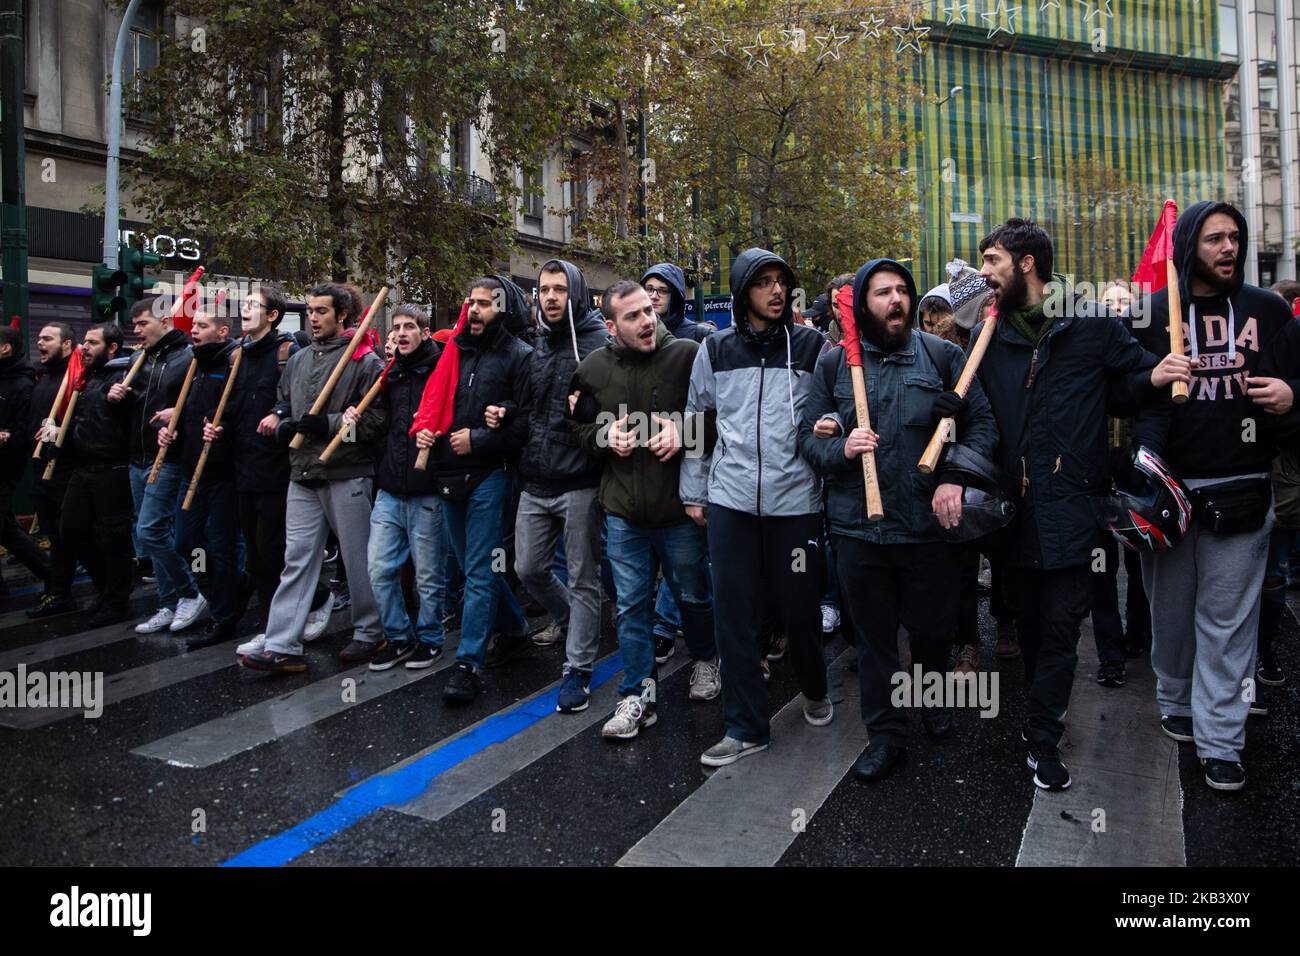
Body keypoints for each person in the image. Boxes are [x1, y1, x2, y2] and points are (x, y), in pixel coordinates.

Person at [974, 218, 1192, 791]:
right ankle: (1039, 713)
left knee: (1063, 629)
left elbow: (1126, 383)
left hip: (1074, 507)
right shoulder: (985, 335)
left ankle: (1042, 738)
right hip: (1012, 513)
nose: (983, 272)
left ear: (1026, 264)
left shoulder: (1091, 323)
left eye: (992, 260)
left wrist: (1156, 374)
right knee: (1026, 624)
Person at [800, 258, 998, 781]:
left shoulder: (943, 356)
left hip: (927, 530)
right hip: (857, 529)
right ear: (862, 304)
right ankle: (886, 735)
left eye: (902, 291)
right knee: (874, 641)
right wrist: (840, 446)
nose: (896, 301)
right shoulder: (833, 363)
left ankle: (931, 702)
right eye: (883, 293)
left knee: (932, 631)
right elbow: (805, 441)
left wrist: (956, 477)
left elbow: (982, 427)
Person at [1130, 201, 1297, 792]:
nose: (1228, 249)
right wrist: (1149, 376)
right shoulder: (1151, 315)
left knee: (1229, 622)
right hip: (1168, 496)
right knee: (1171, 614)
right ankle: (1175, 698)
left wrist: (1291, 394)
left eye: (1234, 238)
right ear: (1187, 248)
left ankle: (1222, 741)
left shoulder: (1270, 312)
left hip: (1244, 493)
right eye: (1213, 239)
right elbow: (1116, 394)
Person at [681, 248, 833, 767]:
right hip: (731, 502)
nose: (775, 291)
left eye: (781, 282)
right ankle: (745, 726)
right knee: (734, 615)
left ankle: (814, 686)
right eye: (763, 282)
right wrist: (695, 491)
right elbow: (698, 421)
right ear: (744, 290)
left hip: (795, 502)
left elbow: (834, 411)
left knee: (799, 608)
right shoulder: (715, 349)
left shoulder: (814, 345)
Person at [571, 281, 720, 737]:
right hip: (623, 513)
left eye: (648, 311)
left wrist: (682, 432)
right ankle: (637, 696)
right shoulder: (593, 367)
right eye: (633, 316)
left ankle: (707, 660)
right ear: (611, 326)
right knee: (631, 607)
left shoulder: (690, 356)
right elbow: (576, 429)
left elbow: (720, 420)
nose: (647, 320)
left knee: (693, 595)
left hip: (678, 511)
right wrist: (603, 437)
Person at [240, 282, 388, 673]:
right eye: (309, 310)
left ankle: (370, 631)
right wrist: (282, 420)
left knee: (358, 559)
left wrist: (331, 424)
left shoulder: (365, 361)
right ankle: (282, 643)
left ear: (342, 315)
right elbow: (284, 401)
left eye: (322, 311)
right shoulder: (299, 359)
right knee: (297, 559)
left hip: (346, 471)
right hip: (302, 470)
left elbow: (373, 423)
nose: (313, 317)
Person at [414, 276, 534, 705]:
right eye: (471, 303)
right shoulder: (452, 353)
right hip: (449, 475)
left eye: (485, 303)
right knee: (472, 569)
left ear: (502, 309)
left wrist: (480, 438)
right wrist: (428, 432)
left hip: (490, 475)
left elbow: (524, 423)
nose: (475, 310)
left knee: (481, 573)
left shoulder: (520, 356)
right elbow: (435, 404)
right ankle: (516, 628)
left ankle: (468, 664)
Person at [515, 260, 609, 712]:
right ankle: (573, 619)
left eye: (558, 289)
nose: (549, 297)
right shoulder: (535, 343)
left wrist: (592, 407)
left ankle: (578, 669)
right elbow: (528, 409)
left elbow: (618, 407)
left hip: (579, 481)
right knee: (528, 568)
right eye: (543, 290)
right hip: (535, 478)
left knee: (583, 576)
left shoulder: (598, 344)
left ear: (574, 293)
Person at [230, 284, 333, 654]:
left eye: (252, 305)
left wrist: (278, 415)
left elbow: (298, 400)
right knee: (256, 554)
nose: (244, 310)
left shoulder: (289, 353)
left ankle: (309, 603)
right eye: (243, 304)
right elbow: (233, 408)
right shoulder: (236, 356)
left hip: (279, 467)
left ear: (272, 315)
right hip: (243, 467)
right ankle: (280, 620)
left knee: (274, 550)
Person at [111, 297, 206, 636]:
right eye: (134, 325)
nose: (136, 331)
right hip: (136, 455)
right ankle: (168, 603)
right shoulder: (138, 359)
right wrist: (118, 398)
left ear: (164, 322)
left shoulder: (188, 359)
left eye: (142, 324)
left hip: (167, 458)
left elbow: (200, 406)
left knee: (151, 529)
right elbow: (136, 412)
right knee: (151, 534)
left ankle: (190, 592)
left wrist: (178, 418)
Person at [364, 304, 448, 670]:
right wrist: (357, 417)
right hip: (389, 487)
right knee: (379, 568)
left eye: (409, 327)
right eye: (396, 327)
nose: (400, 333)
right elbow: (377, 426)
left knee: (428, 576)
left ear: (425, 332)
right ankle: (398, 636)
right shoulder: (390, 375)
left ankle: (430, 638)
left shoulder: (442, 372)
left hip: (427, 488)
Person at [161, 306, 242, 649]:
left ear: (223, 331)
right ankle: (213, 591)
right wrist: (172, 428)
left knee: (222, 546)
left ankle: (225, 615)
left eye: (203, 325)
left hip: (224, 472)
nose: (193, 330)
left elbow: (239, 413)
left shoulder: (233, 364)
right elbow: (191, 412)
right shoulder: (196, 364)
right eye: (194, 325)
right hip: (191, 470)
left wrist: (225, 430)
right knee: (186, 541)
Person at [58, 323, 136, 625]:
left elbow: (133, 414)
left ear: (112, 347)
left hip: (110, 468)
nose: (84, 348)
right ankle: (105, 588)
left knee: (114, 537)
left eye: (92, 343)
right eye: (84, 342)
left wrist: (125, 398)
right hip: (83, 467)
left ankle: (117, 600)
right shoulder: (88, 378)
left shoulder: (123, 376)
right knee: (71, 529)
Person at [25, 323, 78, 618]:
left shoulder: (75, 377)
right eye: (39, 337)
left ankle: (65, 592)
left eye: (47, 338)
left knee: (68, 534)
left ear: (67, 344)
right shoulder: (42, 376)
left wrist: (60, 434)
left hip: (64, 468)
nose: (40, 343)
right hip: (39, 466)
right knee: (56, 536)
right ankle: (58, 590)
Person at [0, 326, 51, 600]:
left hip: (5, 466)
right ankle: (52, 574)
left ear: (5, 347)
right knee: (7, 531)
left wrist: (7, 436)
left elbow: (25, 428)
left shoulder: (23, 383)